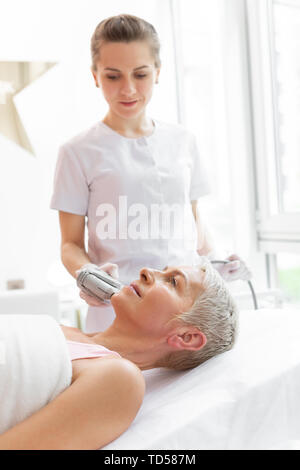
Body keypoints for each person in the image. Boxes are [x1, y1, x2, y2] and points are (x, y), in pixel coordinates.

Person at [50, 13, 249, 334]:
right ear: (95, 75)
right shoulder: (77, 151)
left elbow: (194, 224)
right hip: (118, 306)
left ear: (157, 72)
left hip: (187, 308)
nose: (128, 89)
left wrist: (217, 260)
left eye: (140, 74)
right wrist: (87, 274)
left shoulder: (184, 141)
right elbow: (70, 243)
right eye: (113, 76)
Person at [0, 258, 238, 450]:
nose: (146, 271)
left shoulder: (119, 377)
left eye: (173, 282)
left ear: (187, 337)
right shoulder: (67, 331)